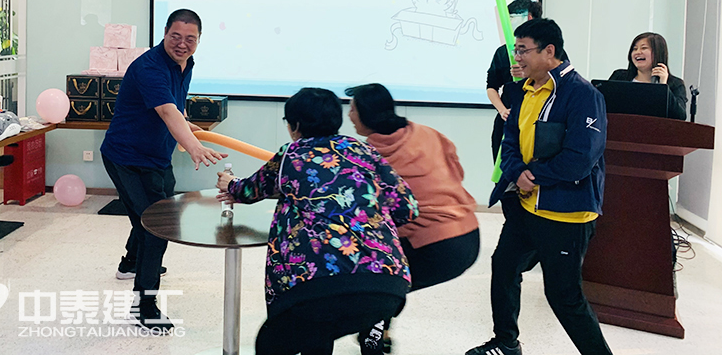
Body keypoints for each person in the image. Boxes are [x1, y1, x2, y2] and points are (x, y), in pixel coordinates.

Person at [215, 87, 418, 355]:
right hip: (387, 284)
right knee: (321, 328)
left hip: (312, 284)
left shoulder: (292, 153)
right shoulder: (364, 149)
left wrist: (230, 183)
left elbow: (250, 190)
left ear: (295, 125)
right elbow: (408, 208)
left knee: (274, 343)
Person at [467, 18, 613, 355]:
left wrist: (533, 175)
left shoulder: (582, 95)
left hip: (565, 213)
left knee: (563, 297)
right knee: (505, 267)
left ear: (549, 51)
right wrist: (517, 172)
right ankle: (506, 342)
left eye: (523, 50)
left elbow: (581, 157)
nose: (517, 58)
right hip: (525, 206)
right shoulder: (523, 90)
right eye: (515, 50)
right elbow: (509, 139)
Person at [100, 8, 225, 331]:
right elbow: (168, 112)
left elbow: (175, 108)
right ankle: (144, 306)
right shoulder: (150, 67)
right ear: (165, 33)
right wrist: (194, 146)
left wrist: (191, 129)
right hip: (126, 158)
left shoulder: (185, 64)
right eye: (176, 37)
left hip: (156, 157)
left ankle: (130, 263)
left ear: (199, 40)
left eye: (190, 39)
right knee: (155, 229)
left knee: (153, 216)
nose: (182, 44)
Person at [346, 83, 480, 354]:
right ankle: (379, 333)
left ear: (366, 114)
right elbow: (456, 172)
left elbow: (367, 210)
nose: (349, 116)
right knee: (388, 284)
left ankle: (373, 343)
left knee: (376, 288)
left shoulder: (368, 156)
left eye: (352, 109)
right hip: (468, 234)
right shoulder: (428, 134)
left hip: (432, 245)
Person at [486, 0, 541, 163]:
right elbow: (491, 87)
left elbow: (558, 84)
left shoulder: (547, 52)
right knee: (504, 171)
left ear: (529, 18)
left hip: (537, 125)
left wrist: (528, 74)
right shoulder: (503, 53)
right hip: (507, 124)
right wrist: (502, 110)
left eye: (513, 17)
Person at [608, 32, 687, 120]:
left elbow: (680, 116)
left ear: (658, 53)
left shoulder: (675, 84)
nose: (638, 52)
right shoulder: (619, 77)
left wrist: (663, 86)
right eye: (635, 49)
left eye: (644, 48)